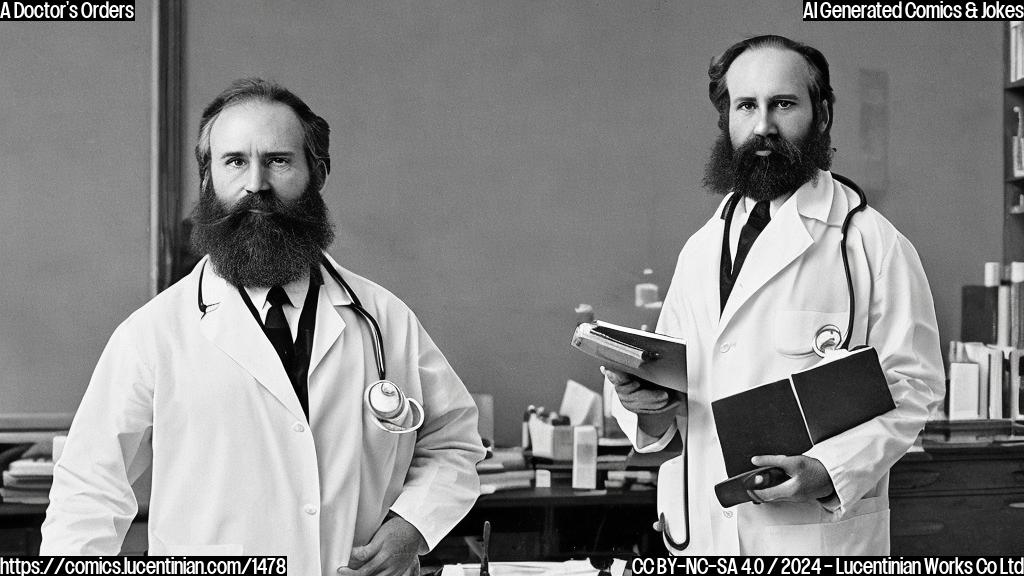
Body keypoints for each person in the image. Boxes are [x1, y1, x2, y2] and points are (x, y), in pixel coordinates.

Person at [41, 78, 485, 575]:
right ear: (208, 178)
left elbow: (454, 443)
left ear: (317, 173)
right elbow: (88, 492)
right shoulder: (152, 335)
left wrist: (412, 526)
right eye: (235, 161)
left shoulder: (383, 318)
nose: (257, 183)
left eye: (278, 160)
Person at [608, 35, 944, 555]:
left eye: (783, 104)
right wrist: (643, 403)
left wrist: (827, 470)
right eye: (747, 106)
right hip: (700, 538)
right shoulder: (701, 249)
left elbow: (914, 386)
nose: (763, 125)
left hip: (809, 541)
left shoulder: (872, 243)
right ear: (727, 121)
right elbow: (678, 394)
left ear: (822, 114)